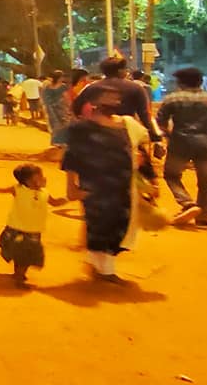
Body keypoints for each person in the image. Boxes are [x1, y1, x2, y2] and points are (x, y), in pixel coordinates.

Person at [62, 88, 156, 283]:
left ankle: (98, 265)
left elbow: (142, 149)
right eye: (106, 98)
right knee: (98, 225)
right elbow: (71, 157)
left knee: (120, 226)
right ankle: (105, 271)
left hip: (122, 186)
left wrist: (149, 178)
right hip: (94, 186)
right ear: (92, 103)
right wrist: (71, 187)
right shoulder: (81, 129)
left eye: (115, 97)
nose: (112, 101)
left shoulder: (128, 125)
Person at [156, 67, 207, 227]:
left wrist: (166, 136)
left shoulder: (172, 99)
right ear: (201, 81)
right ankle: (203, 216)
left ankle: (187, 203)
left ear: (180, 82)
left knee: (171, 175)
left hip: (180, 143)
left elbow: (160, 123)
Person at [0, 164, 69, 289]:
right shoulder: (18, 189)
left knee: (23, 256)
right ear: (29, 181)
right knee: (24, 257)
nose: (44, 178)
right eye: (40, 177)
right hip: (18, 230)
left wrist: (69, 197)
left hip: (33, 231)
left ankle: (17, 275)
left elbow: (55, 202)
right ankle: (18, 280)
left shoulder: (44, 192)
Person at [71, 57, 163, 154]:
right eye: (125, 69)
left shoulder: (91, 87)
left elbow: (76, 108)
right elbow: (145, 115)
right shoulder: (136, 88)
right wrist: (155, 137)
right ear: (120, 71)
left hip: (97, 134)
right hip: (125, 133)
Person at [40, 70, 71, 147]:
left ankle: (55, 141)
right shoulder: (63, 86)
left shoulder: (48, 87)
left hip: (51, 108)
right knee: (64, 123)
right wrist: (69, 106)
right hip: (61, 107)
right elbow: (66, 97)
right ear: (59, 78)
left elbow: (45, 98)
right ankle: (62, 141)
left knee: (55, 124)